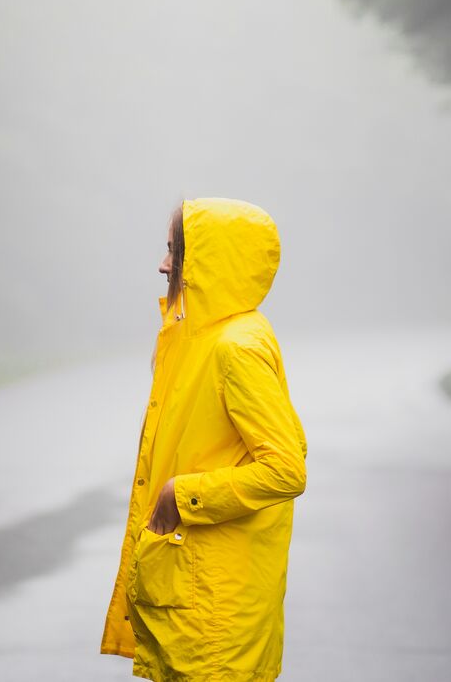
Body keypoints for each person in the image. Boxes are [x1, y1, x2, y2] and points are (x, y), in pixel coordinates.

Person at [100, 197, 309, 681]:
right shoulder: (193, 339)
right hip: (195, 599)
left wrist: (182, 495)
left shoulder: (236, 347)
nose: (163, 265)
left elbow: (285, 468)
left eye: (176, 251)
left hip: (215, 614)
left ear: (210, 262)